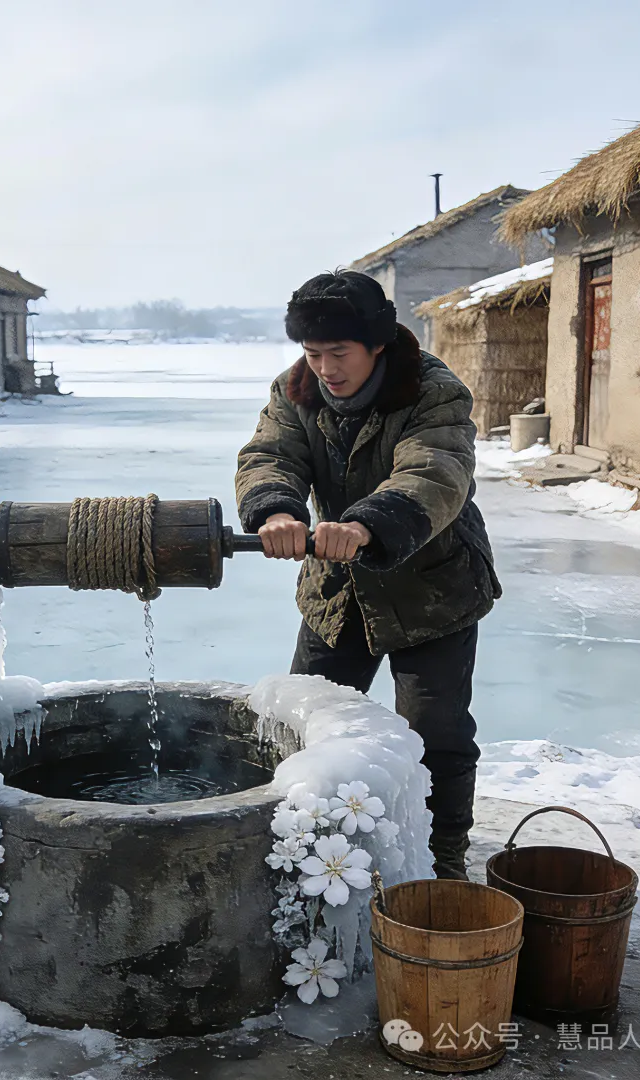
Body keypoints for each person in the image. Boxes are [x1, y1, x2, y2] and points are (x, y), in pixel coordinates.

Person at [235, 269, 501, 879]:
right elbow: (269, 454)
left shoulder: (433, 390)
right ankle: (307, 848)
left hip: (433, 584)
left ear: (377, 345)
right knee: (304, 721)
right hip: (338, 590)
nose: (325, 368)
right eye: (312, 352)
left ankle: (442, 860)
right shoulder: (294, 390)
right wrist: (276, 508)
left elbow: (434, 471)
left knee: (438, 734)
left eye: (338, 353)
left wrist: (367, 525)